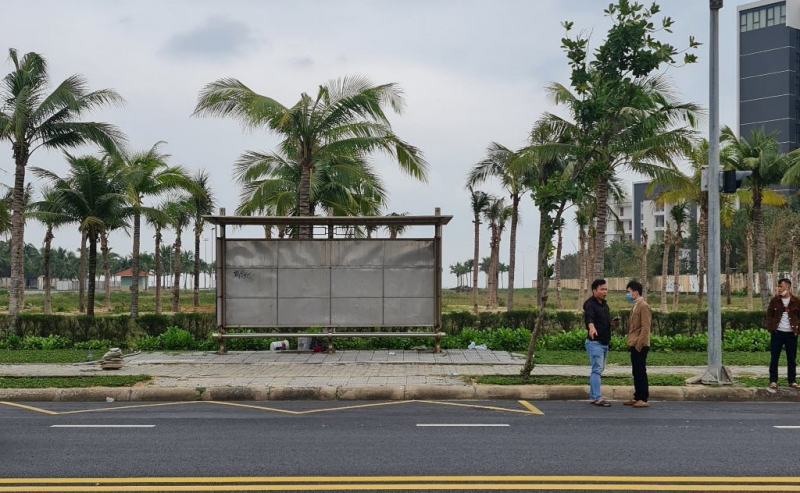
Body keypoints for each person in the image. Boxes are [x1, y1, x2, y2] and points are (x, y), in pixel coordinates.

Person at [584, 278, 616, 407]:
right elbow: (589, 317)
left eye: (606, 289)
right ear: (594, 291)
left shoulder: (604, 305)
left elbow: (602, 321)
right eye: (602, 289)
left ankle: (593, 396)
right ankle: (598, 397)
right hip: (594, 342)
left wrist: (611, 324)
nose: (604, 291)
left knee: (598, 369)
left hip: (604, 341)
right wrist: (591, 327)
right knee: (596, 370)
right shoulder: (589, 304)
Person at [765, 278, 800, 389]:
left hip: (791, 334)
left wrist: (797, 331)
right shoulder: (775, 300)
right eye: (779, 287)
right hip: (777, 333)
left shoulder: (796, 301)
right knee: (774, 358)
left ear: (788, 287)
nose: (779, 289)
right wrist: (771, 328)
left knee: (791, 358)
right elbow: (769, 315)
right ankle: (773, 380)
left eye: (781, 286)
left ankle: (792, 380)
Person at [623, 280, 651, 408]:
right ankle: (637, 396)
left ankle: (643, 398)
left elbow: (646, 327)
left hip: (640, 344)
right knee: (636, 371)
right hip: (634, 343)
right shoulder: (635, 305)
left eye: (628, 292)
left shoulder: (643, 305)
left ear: (636, 292)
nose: (627, 294)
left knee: (640, 371)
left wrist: (639, 345)